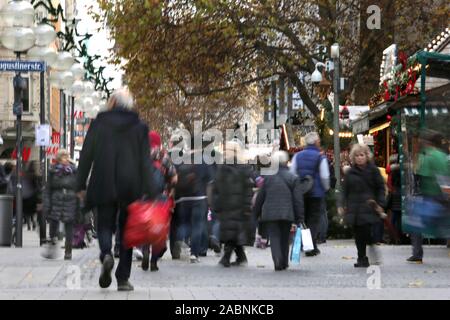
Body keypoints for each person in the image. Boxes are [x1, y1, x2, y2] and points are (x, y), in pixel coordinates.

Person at [76, 88, 156, 291]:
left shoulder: (99, 124)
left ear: (111, 103)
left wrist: (80, 184)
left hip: (104, 181)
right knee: (128, 231)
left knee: (104, 224)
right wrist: (152, 190)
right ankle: (122, 278)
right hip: (131, 185)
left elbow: (86, 155)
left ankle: (106, 254)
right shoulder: (139, 127)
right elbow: (145, 162)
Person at [254, 151, 304, 271]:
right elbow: (298, 200)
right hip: (287, 213)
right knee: (285, 237)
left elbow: (261, 197)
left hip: (270, 213)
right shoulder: (293, 178)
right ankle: (284, 262)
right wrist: (300, 218)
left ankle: (277, 260)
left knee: (274, 236)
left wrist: (255, 213)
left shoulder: (268, 177)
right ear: (286, 162)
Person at [339, 144, 386, 268]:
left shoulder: (373, 170)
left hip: (369, 206)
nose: (359, 158)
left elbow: (380, 188)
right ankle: (362, 258)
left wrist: (381, 203)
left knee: (365, 231)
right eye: (357, 156)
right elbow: (344, 190)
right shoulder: (350, 173)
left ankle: (370, 246)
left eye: (362, 155)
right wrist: (341, 204)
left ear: (367, 156)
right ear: (353, 158)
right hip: (354, 208)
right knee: (358, 234)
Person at [407, 131, 450, 264]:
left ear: (428, 143)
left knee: (416, 225)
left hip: (430, 196)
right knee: (443, 224)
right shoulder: (444, 156)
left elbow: (420, 175)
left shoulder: (428, 156)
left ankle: (417, 254)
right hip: (443, 196)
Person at [212, 141, 255, 267]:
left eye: (228, 150)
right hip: (227, 206)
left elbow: (248, 190)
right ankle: (241, 257)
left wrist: (247, 206)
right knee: (231, 232)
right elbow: (216, 188)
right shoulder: (223, 167)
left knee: (231, 232)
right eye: (225, 150)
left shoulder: (241, 168)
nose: (225, 153)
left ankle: (226, 258)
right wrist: (216, 203)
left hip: (237, 206)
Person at [173, 138, 213, 263]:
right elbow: (210, 181)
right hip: (200, 197)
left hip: (184, 198)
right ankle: (194, 254)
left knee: (184, 223)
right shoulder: (204, 161)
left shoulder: (183, 159)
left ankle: (179, 239)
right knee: (197, 225)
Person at [141, 130, 177, 272]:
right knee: (158, 228)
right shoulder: (164, 157)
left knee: (145, 226)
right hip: (161, 197)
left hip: (144, 197)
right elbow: (174, 178)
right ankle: (154, 260)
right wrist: (170, 191)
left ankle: (145, 249)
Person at [290, 132, 330, 256]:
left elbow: (292, 174)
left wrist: (296, 189)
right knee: (313, 220)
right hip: (316, 193)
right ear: (317, 142)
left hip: (301, 192)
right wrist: (326, 188)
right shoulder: (320, 157)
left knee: (304, 219)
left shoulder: (297, 156)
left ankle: (306, 244)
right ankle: (310, 246)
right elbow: (324, 175)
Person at [42, 150, 78, 260]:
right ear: (58, 158)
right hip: (56, 200)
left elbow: (78, 186)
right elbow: (48, 189)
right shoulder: (53, 170)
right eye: (63, 157)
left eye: (66, 156)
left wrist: (80, 204)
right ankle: (52, 246)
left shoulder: (73, 170)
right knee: (53, 225)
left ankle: (68, 251)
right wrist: (47, 204)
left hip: (70, 200)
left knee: (69, 227)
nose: (65, 159)